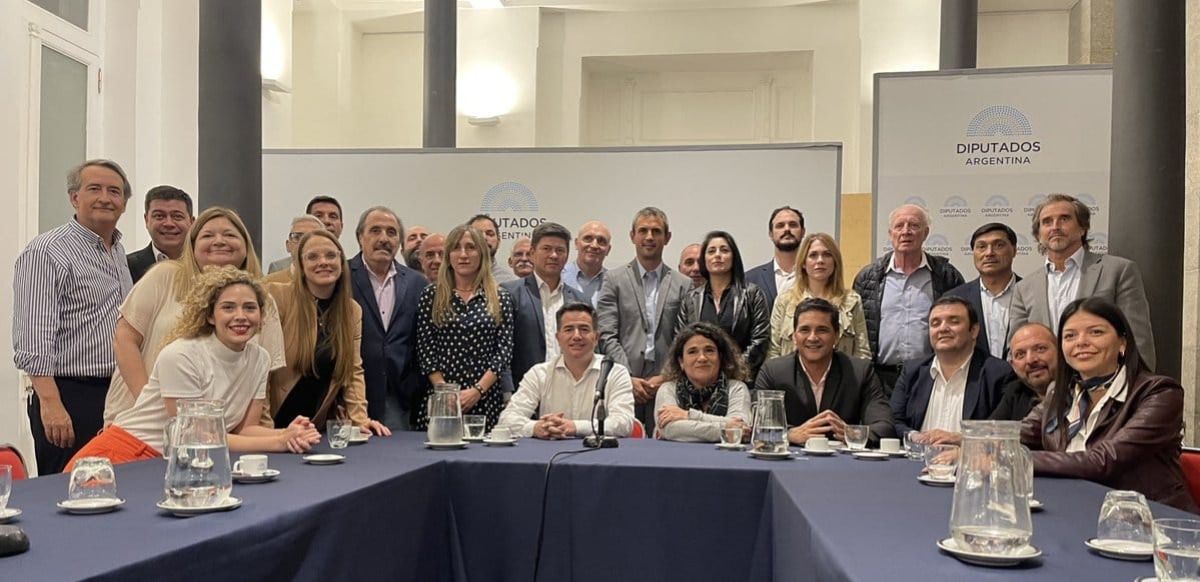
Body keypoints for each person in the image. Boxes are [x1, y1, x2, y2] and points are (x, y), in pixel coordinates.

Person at [67, 267, 321, 470]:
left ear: (261, 315)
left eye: (250, 307)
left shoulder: (260, 358)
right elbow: (195, 437)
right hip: (123, 456)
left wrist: (289, 433)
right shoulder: (181, 355)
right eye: (228, 307)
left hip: (179, 462)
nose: (240, 316)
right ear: (210, 315)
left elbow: (246, 430)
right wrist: (280, 441)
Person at [104, 207, 286, 426]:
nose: (219, 241)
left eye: (229, 234)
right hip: (140, 422)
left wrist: (262, 434)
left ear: (246, 245)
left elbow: (262, 380)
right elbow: (124, 340)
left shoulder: (263, 300)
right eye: (208, 235)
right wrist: (151, 406)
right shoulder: (164, 277)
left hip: (216, 432)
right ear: (192, 246)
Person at [13, 159, 135, 474]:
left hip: (116, 394)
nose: (105, 198)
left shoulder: (117, 251)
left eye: (114, 191)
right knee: (68, 488)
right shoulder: (47, 252)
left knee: (116, 487)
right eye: (94, 189)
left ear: (124, 203)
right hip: (69, 397)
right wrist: (51, 404)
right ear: (74, 198)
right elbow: (33, 337)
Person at [1020, 298, 1195, 512]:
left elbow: (1103, 460)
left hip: (1148, 517)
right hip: (1076, 507)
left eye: (1096, 332)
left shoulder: (1159, 392)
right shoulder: (1058, 392)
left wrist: (1016, 458)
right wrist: (983, 444)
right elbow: (1014, 435)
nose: (1081, 342)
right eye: (1070, 336)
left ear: (1123, 343)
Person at [265, 230, 390, 436]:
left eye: (331, 255)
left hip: (314, 430)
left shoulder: (352, 311)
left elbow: (353, 371)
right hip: (273, 425)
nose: (323, 262)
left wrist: (360, 420)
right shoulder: (277, 297)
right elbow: (262, 369)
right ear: (300, 265)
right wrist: (264, 431)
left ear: (341, 262)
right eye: (312, 257)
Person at [1009, 193, 1156, 369]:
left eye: (1064, 219)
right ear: (1038, 235)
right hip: (1048, 383)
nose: (1055, 227)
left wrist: (1138, 382)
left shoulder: (1118, 271)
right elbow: (1016, 349)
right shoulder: (1024, 288)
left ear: (1083, 227)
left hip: (1106, 380)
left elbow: (1137, 338)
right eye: (1047, 222)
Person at [596, 207, 693, 435]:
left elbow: (685, 337)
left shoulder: (683, 284)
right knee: (623, 442)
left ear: (667, 238)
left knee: (666, 443)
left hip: (667, 382)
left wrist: (667, 376)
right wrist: (626, 377)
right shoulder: (613, 280)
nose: (649, 237)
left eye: (656, 231)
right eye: (643, 231)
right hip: (624, 379)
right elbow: (607, 334)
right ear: (632, 236)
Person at [854, 204, 965, 394]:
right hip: (880, 379)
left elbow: (962, 324)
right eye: (899, 226)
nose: (906, 231)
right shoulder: (868, 278)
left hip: (931, 376)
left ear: (926, 233)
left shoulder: (946, 276)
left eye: (914, 225)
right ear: (890, 233)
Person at [415, 225, 515, 431]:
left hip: (485, 397)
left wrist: (477, 390)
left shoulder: (500, 297)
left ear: (482, 253)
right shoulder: (431, 295)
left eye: (470, 247)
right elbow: (425, 349)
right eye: (456, 248)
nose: (463, 255)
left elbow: (504, 351)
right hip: (442, 397)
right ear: (448, 255)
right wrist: (447, 393)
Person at [757, 299, 893, 446]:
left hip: (841, 458)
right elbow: (758, 425)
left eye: (822, 330)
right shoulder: (773, 371)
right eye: (804, 330)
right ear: (794, 336)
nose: (812, 338)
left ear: (837, 335)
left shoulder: (860, 372)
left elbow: (884, 426)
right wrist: (789, 434)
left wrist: (853, 434)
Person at [498, 302, 635, 439]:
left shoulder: (615, 372)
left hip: (598, 451)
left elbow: (624, 423)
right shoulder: (539, 374)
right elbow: (507, 420)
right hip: (549, 451)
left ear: (596, 338)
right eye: (569, 329)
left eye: (584, 329)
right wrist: (537, 427)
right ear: (558, 338)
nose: (576, 336)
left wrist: (575, 427)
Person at [890, 296, 1014, 440]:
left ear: (974, 330)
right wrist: (915, 436)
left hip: (969, 454)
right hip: (917, 453)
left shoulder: (998, 374)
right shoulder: (912, 371)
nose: (943, 328)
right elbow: (894, 421)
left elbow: (1003, 430)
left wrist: (960, 439)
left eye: (954, 322)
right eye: (935, 324)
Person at [349, 207, 427, 430]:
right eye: (375, 230)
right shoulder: (342, 276)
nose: (384, 238)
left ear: (399, 242)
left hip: (400, 399)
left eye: (391, 232)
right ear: (360, 237)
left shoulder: (417, 283)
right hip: (351, 396)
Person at [675, 231, 770, 379]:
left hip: (741, 379)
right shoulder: (691, 299)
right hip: (699, 380)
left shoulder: (752, 294)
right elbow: (680, 340)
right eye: (711, 251)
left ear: (734, 257)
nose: (717, 255)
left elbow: (760, 340)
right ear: (704, 260)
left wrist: (733, 370)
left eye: (724, 250)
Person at [502, 223, 585, 391]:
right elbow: (502, 349)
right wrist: (507, 392)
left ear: (567, 255)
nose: (553, 255)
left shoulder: (579, 299)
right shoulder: (510, 293)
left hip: (569, 390)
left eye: (560, 250)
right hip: (523, 391)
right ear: (532, 253)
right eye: (546, 249)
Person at [769, 233, 870, 361]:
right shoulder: (785, 300)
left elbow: (862, 352)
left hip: (842, 373)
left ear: (835, 262)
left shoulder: (851, 301)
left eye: (827, 255)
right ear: (803, 263)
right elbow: (773, 351)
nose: (820, 260)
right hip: (791, 373)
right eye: (813, 255)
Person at [653, 322, 752, 443]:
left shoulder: (737, 388)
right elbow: (669, 429)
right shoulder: (668, 389)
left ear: (720, 357)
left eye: (709, 350)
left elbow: (741, 429)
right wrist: (726, 427)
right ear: (681, 362)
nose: (702, 358)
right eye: (692, 352)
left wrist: (688, 416)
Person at [945, 223, 1021, 359]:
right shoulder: (954, 299)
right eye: (981, 247)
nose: (989, 253)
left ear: (1014, 250)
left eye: (999, 245)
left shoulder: (1031, 292)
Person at [127, 185, 194, 283]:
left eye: (177, 216)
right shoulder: (126, 267)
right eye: (159, 216)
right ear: (146, 220)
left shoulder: (206, 264)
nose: (169, 224)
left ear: (192, 222)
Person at [745, 206, 805, 311]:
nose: (787, 229)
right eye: (780, 225)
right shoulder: (749, 279)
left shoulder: (816, 277)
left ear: (803, 232)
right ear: (771, 234)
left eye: (793, 225)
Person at [561, 220, 612, 306]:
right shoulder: (559, 276)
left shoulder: (614, 282)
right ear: (576, 243)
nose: (594, 245)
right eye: (588, 239)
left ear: (608, 250)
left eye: (601, 241)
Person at [468, 213, 518, 284]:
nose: (484, 237)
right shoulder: (454, 277)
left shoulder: (508, 282)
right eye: (477, 234)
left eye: (490, 234)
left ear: (498, 242)